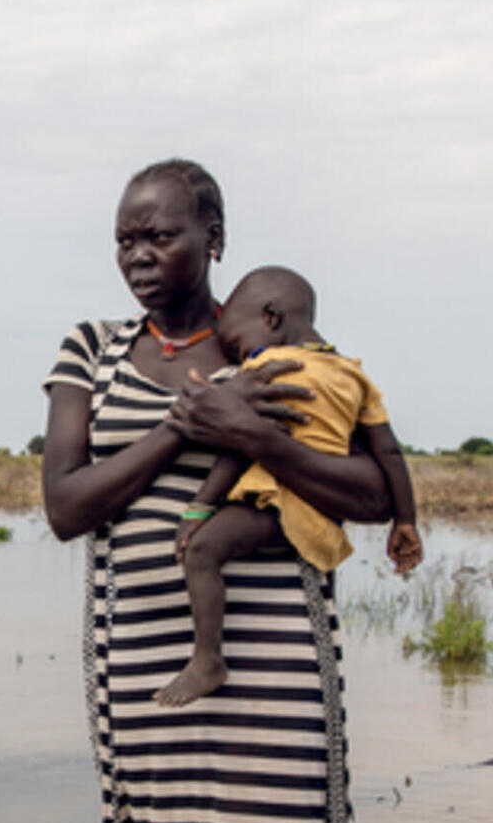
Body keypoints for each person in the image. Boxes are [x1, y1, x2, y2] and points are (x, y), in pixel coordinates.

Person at [42, 159, 392, 823]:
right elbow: (67, 508)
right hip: (151, 663)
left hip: (272, 663)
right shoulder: (94, 348)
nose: (140, 255)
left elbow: (374, 491)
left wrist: (259, 435)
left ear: (214, 240)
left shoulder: (287, 351)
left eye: (161, 235)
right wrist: (186, 426)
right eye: (125, 238)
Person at [154, 264, 422, 706]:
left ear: (271, 319)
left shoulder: (268, 368)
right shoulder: (356, 377)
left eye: (236, 342)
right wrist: (406, 522)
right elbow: (388, 454)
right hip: (321, 508)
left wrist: (199, 507)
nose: (237, 356)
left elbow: (241, 446)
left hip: (278, 499)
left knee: (201, 551)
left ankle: (207, 660)